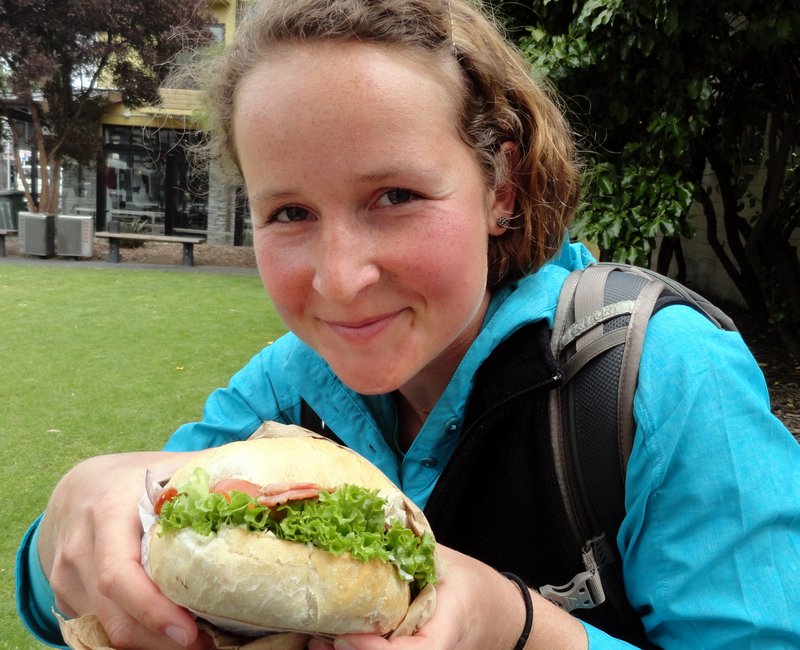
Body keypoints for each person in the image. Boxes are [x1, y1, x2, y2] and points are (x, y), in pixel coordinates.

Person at [15, 0, 800, 648]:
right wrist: (69, 521)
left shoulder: (660, 379)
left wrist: (520, 628)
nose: (340, 278)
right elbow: (59, 597)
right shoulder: (284, 391)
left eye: (395, 197)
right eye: (289, 212)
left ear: (501, 188)